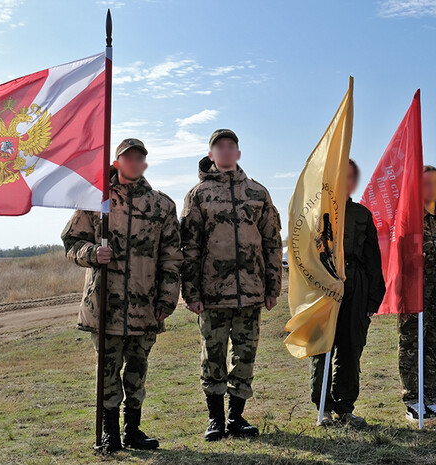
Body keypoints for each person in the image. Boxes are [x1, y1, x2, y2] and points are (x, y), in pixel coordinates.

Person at [61, 138, 182, 452]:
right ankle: (109, 434)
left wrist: (167, 299)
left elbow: (171, 257)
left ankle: (133, 431)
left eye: (138, 158)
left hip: (146, 306)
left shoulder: (161, 205)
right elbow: (72, 244)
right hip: (105, 306)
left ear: (144, 164)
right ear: (116, 162)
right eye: (126, 157)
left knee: (138, 370)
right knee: (108, 370)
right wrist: (92, 253)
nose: (133, 162)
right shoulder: (95, 199)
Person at [180, 129, 283, 441]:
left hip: (251, 293)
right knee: (212, 357)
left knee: (245, 356)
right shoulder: (198, 195)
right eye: (219, 147)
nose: (225, 151)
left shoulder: (258, 193)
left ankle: (237, 418)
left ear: (238, 153)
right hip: (212, 295)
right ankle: (216, 420)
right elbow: (189, 248)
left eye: (230, 146)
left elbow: (272, 242)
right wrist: (192, 292)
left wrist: (273, 287)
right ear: (211, 155)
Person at [310, 159, 385, 428]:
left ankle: (345, 407)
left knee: (351, 347)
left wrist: (373, 298)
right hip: (324, 285)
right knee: (323, 348)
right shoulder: (318, 213)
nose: (347, 182)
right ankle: (324, 410)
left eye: (352, 177)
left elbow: (373, 259)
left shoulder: (362, 215)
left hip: (357, 284)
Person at [398, 166, 436, 422]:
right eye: (425, 183)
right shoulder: (408, 220)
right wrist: (413, 261)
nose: (431, 188)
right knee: (412, 346)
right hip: (414, 295)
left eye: (435, 183)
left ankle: (431, 400)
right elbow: (396, 259)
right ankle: (413, 401)